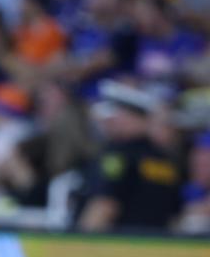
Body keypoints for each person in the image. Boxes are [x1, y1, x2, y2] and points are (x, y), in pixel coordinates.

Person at [78, 80, 183, 231]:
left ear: (133, 117)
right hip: (156, 247)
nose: (110, 121)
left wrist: (80, 244)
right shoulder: (165, 159)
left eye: (118, 114)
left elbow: (104, 205)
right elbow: (174, 216)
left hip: (118, 246)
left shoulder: (117, 155)